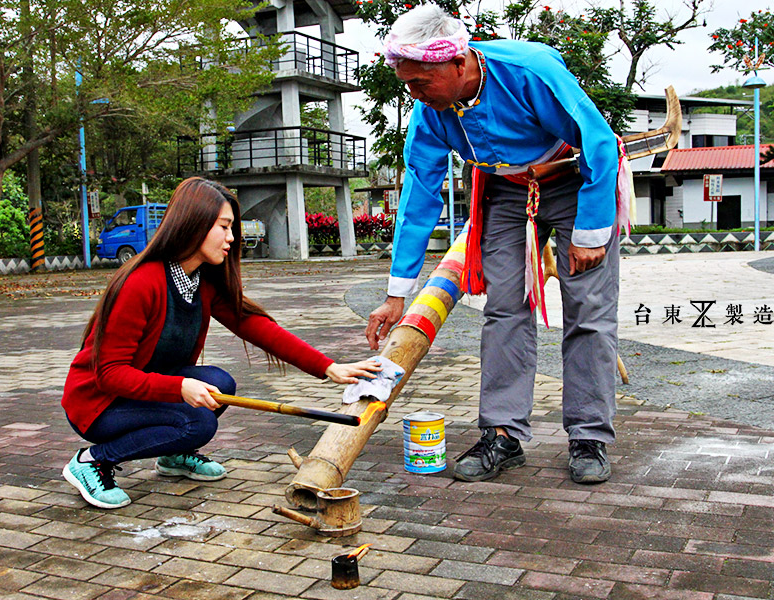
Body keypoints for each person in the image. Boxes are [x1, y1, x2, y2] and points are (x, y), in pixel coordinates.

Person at [365, 4, 623, 484]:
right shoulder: (430, 113)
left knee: (588, 309)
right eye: (408, 85)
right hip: (504, 190)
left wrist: (591, 231)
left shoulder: (530, 71)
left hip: (572, 179)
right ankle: (503, 434)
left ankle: (589, 435)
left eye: (422, 83)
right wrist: (396, 293)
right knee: (504, 308)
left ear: (458, 63)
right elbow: (419, 194)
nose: (415, 95)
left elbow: (600, 142)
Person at [62, 177, 381, 509]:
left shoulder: (201, 280)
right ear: (194, 223)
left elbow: (257, 327)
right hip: (100, 404)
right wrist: (180, 387)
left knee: (218, 382)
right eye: (224, 227)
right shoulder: (140, 283)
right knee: (197, 421)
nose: (231, 238)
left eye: (232, 228)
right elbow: (109, 374)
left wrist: (328, 367)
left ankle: (172, 455)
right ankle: (93, 461)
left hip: (142, 392)